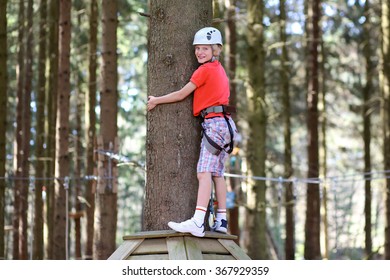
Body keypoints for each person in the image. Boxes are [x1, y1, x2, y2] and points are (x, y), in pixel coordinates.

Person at [147, 27, 238, 237]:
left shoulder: (204, 70)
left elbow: (181, 94)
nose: (199, 52)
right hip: (226, 125)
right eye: (197, 48)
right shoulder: (219, 69)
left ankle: (198, 221)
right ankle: (222, 219)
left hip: (215, 124)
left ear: (216, 50)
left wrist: (156, 101)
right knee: (217, 174)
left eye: (205, 48)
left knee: (203, 171)